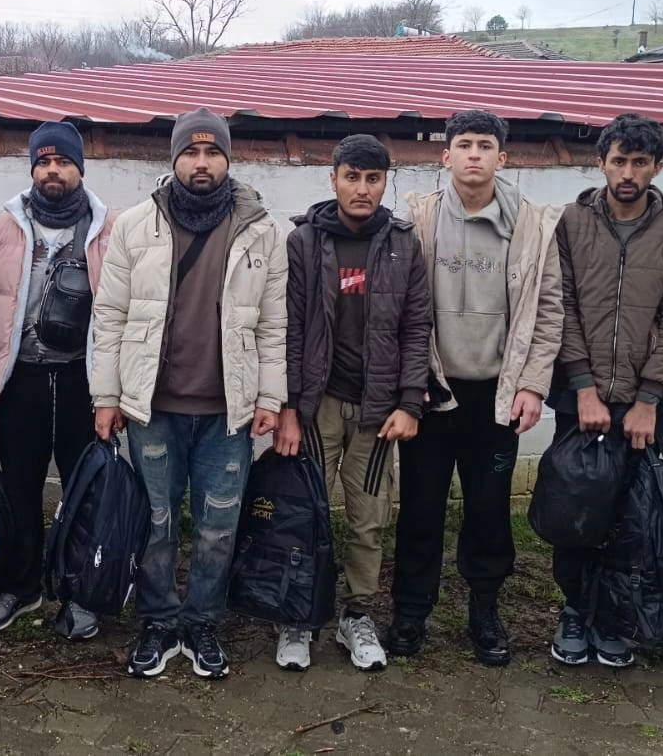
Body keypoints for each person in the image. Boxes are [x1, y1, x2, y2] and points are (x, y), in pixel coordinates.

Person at [90, 107, 287, 680]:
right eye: (191, 152)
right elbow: (110, 317)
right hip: (152, 408)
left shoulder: (262, 230)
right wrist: (106, 396)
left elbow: (274, 325)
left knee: (218, 526)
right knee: (156, 521)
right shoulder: (135, 225)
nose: (202, 163)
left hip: (227, 413)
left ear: (228, 158)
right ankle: (157, 619)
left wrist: (269, 399)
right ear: (174, 158)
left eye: (213, 152)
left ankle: (203, 621)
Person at [383, 110, 564, 666]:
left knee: (488, 510)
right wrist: (409, 384)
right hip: (432, 392)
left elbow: (549, 312)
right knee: (420, 508)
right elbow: (398, 307)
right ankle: (411, 611)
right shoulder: (417, 219)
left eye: (485, 145)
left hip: (496, 396)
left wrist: (532, 385)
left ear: (501, 158)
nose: (474, 154)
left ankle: (485, 609)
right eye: (464, 144)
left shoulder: (533, 225)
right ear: (446, 156)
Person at [548, 113, 663, 669]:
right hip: (579, 393)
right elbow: (561, 307)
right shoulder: (572, 221)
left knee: (633, 512)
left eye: (640, 162)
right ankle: (573, 610)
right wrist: (583, 388)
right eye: (619, 161)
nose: (628, 173)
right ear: (602, 164)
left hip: (643, 400)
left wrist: (649, 399)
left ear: (657, 166)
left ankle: (615, 615)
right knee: (578, 507)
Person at [272, 134, 431, 672]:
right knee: (304, 516)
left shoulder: (403, 244)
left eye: (373, 179)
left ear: (385, 182)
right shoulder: (303, 242)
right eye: (352, 177)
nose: (362, 189)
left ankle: (357, 615)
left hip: (376, 412)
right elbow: (289, 328)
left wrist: (409, 402)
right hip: (316, 409)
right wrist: (289, 407)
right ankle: (298, 615)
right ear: (333, 179)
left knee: (368, 520)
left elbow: (416, 327)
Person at [0, 122, 113, 639]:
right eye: (44, 162)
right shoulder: (4, 227)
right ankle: (23, 584)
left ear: (80, 169)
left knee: (83, 487)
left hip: (81, 380)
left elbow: (118, 314)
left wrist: (112, 392)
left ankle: (79, 590)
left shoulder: (107, 228)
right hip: (20, 379)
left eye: (63, 162)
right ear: (32, 169)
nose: (53, 171)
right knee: (20, 485)